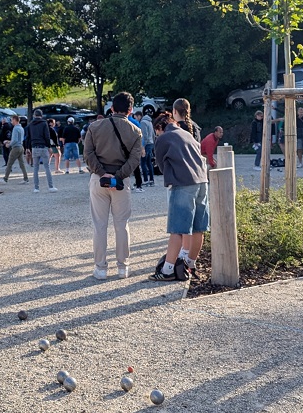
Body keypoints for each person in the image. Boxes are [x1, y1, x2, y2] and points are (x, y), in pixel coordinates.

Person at [83, 92, 143, 279]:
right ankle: (122, 267)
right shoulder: (135, 131)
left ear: (112, 108)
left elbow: (88, 154)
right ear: (130, 110)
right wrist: (117, 176)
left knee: (99, 225)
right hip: (120, 182)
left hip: (98, 179)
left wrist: (102, 173)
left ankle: (100, 268)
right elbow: (134, 161)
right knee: (122, 225)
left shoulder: (95, 127)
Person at [149, 110, 209, 281]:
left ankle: (167, 270)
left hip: (182, 183)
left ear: (160, 127)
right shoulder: (187, 134)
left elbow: (160, 166)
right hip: (202, 181)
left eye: (156, 131)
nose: (157, 134)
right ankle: (190, 264)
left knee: (177, 229)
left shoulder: (163, 138)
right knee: (198, 227)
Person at [26, 109, 57, 192]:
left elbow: (28, 137)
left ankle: (36, 188)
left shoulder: (30, 124)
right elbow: (47, 136)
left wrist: (27, 148)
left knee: (35, 168)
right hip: (43, 147)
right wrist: (49, 146)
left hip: (34, 147)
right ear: (41, 115)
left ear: (34, 115)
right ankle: (51, 187)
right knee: (47, 167)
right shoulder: (44, 123)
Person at [2, 114, 28, 184]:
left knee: (9, 163)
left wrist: (8, 144)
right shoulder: (21, 128)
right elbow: (18, 139)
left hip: (15, 148)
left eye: (12, 120)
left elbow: (15, 140)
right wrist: (9, 141)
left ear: (14, 120)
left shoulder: (15, 128)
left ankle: (5, 179)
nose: (11, 122)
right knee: (22, 164)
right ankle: (26, 178)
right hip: (21, 147)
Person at [140, 112, 156, 187]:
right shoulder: (150, 122)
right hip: (151, 143)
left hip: (146, 144)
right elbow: (153, 134)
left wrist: (143, 146)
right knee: (149, 163)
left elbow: (144, 135)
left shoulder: (143, 122)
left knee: (143, 162)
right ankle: (151, 180)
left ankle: (146, 180)